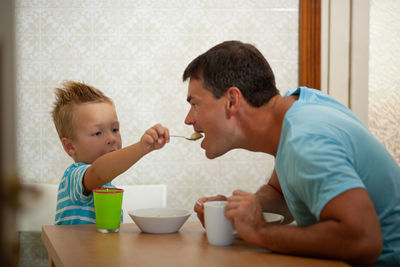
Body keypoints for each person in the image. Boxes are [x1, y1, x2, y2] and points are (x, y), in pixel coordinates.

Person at [183, 40, 400, 266]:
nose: (189, 119)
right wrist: (237, 213)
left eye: (195, 104)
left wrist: (260, 232)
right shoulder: (298, 110)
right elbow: (281, 195)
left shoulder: (305, 138)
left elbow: (364, 241)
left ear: (232, 100)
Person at [51, 81, 170, 225]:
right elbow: (97, 172)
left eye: (115, 129)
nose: (111, 139)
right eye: (97, 132)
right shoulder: (72, 177)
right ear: (70, 146)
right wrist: (140, 148)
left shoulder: (109, 187)